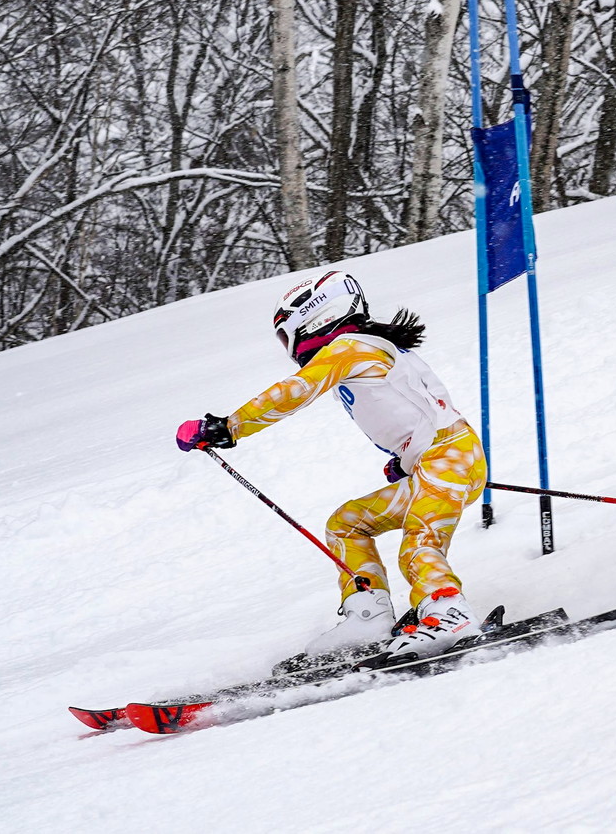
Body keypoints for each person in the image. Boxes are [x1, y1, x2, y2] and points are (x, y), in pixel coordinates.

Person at [176, 271, 488, 660]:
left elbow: (295, 392)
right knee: (347, 523)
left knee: (420, 541)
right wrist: (407, 459)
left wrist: (226, 427)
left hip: (448, 459)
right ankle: (368, 614)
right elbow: (413, 406)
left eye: (285, 336)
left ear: (313, 318)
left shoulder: (349, 348)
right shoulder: (364, 348)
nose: (288, 347)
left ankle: (447, 613)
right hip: (442, 460)